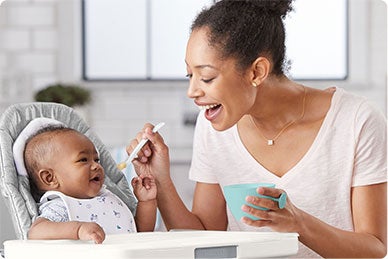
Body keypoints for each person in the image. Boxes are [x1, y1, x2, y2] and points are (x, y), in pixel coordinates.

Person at [127, 0, 387, 258]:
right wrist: (161, 180)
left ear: (257, 72)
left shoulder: (356, 121)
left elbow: (374, 249)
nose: (192, 91)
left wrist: (299, 224)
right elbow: (204, 236)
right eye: (189, 76)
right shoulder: (212, 127)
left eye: (206, 77)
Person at [25, 126, 157, 244]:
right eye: (83, 160)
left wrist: (146, 202)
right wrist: (78, 230)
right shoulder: (61, 206)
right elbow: (36, 231)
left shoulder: (108, 198)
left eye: (96, 159)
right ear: (50, 178)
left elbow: (140, 232)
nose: (96, 166)